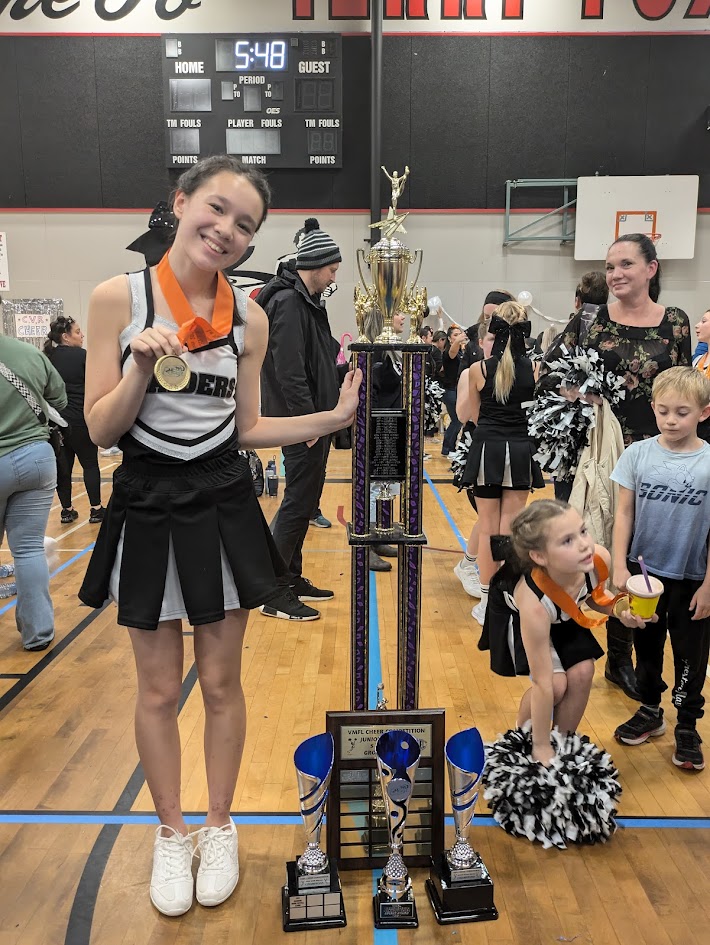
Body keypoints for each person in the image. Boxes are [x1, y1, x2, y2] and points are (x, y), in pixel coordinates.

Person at [77, 155, 361, 918]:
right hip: (144, 498)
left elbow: (247, 427)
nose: (227, 231)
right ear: (181, 201)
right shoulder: (117, 298)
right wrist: (138, 366)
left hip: (223, 499)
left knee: (224, 682)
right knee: (160, 688)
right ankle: (171, 832)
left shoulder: (252, 316)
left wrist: (330, 421)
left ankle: (219, 824)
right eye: (217, 209)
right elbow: (100, 430)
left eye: (246, 225)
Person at [541, 234, 692, 701]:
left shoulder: (675, 323)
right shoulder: (589, 321)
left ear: (652, 268)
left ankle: (626, 655)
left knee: (638, 552)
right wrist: (578, 394)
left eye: (625, 264)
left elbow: (684, 388)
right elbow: (550, 372)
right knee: (595, 553)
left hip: (656, 457)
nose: (615, 274)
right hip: (595, 459)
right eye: (609, 267)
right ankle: (586, 652)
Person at [481, 500, 626, 848]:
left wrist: (626, 611)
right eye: (567, 541)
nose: (583, 544)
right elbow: (542, 683)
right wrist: (542, 748)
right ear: (540, 557)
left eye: (583, 531)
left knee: (583, 672)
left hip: (564, 614)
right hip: (531, 620)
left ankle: (565, 744)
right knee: (557, 684)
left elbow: (597, 599)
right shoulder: (529, 599)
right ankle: (524, 743)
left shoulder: (595, 558)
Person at [610, 367, 710, 771]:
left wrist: (708, 585)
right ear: (652, 408)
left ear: (704, 413)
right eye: (663, 411)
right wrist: (619, 563)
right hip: (643, 574)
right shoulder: (637, 454)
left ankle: (687, 723)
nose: (671, 420)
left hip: (692, 579)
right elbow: (623, 513)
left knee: (690, 654)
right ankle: (650, 709)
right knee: (647, 647)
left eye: (682, 413)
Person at [256, 218, 342, 620]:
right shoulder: (289, 301)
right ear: (316, 265)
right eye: (332, 269)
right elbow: (288, 367)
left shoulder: (306, 299)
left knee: (303, 500)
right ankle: (272, 589)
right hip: (300, 420)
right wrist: (308, 421)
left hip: (313, 418)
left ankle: (289, 576)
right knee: (297, 502)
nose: (334, 277)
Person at [461, 301, 542, 624]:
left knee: (487, 529)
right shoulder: (533, 368)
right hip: (520, 448)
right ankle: (506, 600)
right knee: (509, 530)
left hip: (487, 448)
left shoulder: (478, 370)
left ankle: (486, 601)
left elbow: (475, 416)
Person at [0, 333, 67, 650]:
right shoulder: (29, 353)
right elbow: (60, 400)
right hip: (36, 457)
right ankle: (38, 633)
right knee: (27, 550)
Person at [43, 315, 104, 524]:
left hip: (57, 423)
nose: (82, 335)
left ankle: (66, 511)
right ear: (65, 337)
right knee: (90, 464)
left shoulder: (47, 358)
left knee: (64, 468)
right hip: (80, 420)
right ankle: (96, 509)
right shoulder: (83, 356)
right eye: (78, 332)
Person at [362, 304, 404, 572]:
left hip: (392, 424)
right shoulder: (376, 353)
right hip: (380, 425)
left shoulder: (392, 352)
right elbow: (372, 394)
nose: (402, 317)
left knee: (386, 484)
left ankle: (378, 537)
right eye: (397, 313)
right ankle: (366, 546)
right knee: (374, 486)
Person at [439, 325, 467, 456]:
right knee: (457, 419)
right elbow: (452, 353)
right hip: (450, 390)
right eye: (455, 335)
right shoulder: (449, 351)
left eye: (459, 334)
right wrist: (459, 339)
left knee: (458, 420)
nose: (459, 336)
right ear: (450, 339)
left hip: (457, 389)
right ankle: (447, 448)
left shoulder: (462, 352)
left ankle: (450, 448)